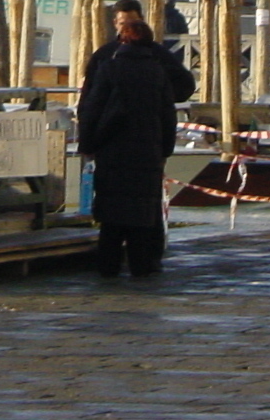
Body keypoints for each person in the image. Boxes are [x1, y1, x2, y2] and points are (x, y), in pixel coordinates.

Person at [77, 18, 195, 276]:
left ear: (123, 40)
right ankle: (142, 268)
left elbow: (92, 109)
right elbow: (168, 116)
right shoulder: (157, 72)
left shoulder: (110, 69)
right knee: (142, 216)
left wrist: (86, 145)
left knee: (112, 218)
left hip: (114, 151)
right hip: (147, 153)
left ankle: (108, 270)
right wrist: (165, 149)